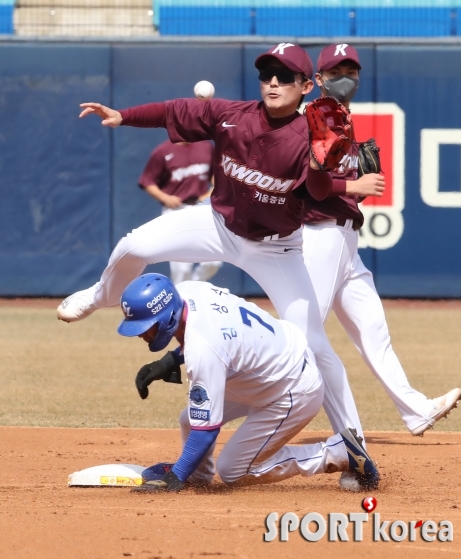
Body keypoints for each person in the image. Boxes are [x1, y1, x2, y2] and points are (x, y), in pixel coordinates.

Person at [57, 43, 371, 490]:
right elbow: (177, 109)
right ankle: (101, 296)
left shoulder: (309, 135)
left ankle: (352, 445)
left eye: (285, 76)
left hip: (275, 247)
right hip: (217, 222)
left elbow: (319, 192)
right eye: (267, 75)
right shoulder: (232, 115)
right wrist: (123, 115)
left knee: (314, 345)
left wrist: (323, 162)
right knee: (135, 245)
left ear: (306, 86)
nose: (273, 83)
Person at [302, 43, 461, 459]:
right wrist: (351, 184)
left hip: (344, 240)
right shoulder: (310, 118)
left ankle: (415, 411)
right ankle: (236, 398)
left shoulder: (342, 118)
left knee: (373, 328)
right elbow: (306, 181)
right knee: (301, 336)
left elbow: (339, 177)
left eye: (351, 69)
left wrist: (356, 173)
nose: (346, 77)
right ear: (318, 79)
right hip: (319, 236)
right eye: (336, 70)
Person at [115, 272, 380, 492]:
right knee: (189, 418)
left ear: (167, 318)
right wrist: (170, 361)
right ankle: (198, 474)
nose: (141, 334)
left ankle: (340, 452)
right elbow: (217, 335)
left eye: (145, 327)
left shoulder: (204, 349)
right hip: (272, 366)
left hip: (292, 390)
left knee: (233, 470)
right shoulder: (186, 291)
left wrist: (174, 478)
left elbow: (207, 431)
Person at [138, 139, 222, 284]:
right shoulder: (162, 151)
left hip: (201, 207)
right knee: (181, 268)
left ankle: (194, 285)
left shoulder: (206, 147)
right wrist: (164, 197)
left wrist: (213, 189)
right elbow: (147, 181)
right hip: (175, 211)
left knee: (214, 261)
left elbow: (216, 173)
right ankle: (182, 295)